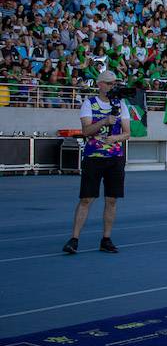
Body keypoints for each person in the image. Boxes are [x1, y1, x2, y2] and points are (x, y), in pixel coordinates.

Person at [62, 71, 130, 254]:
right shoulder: (89, 103)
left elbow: (127, 133)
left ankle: (106, 239)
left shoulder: (121, 104)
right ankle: (74, 238)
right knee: (86, 198)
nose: (111, 86)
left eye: (113, 83)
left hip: (115, 158)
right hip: (93, 157)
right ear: (99, 84)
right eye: (108, 83)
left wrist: (115, 138)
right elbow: (86, 131)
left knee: (112, 199)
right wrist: (104, 121)